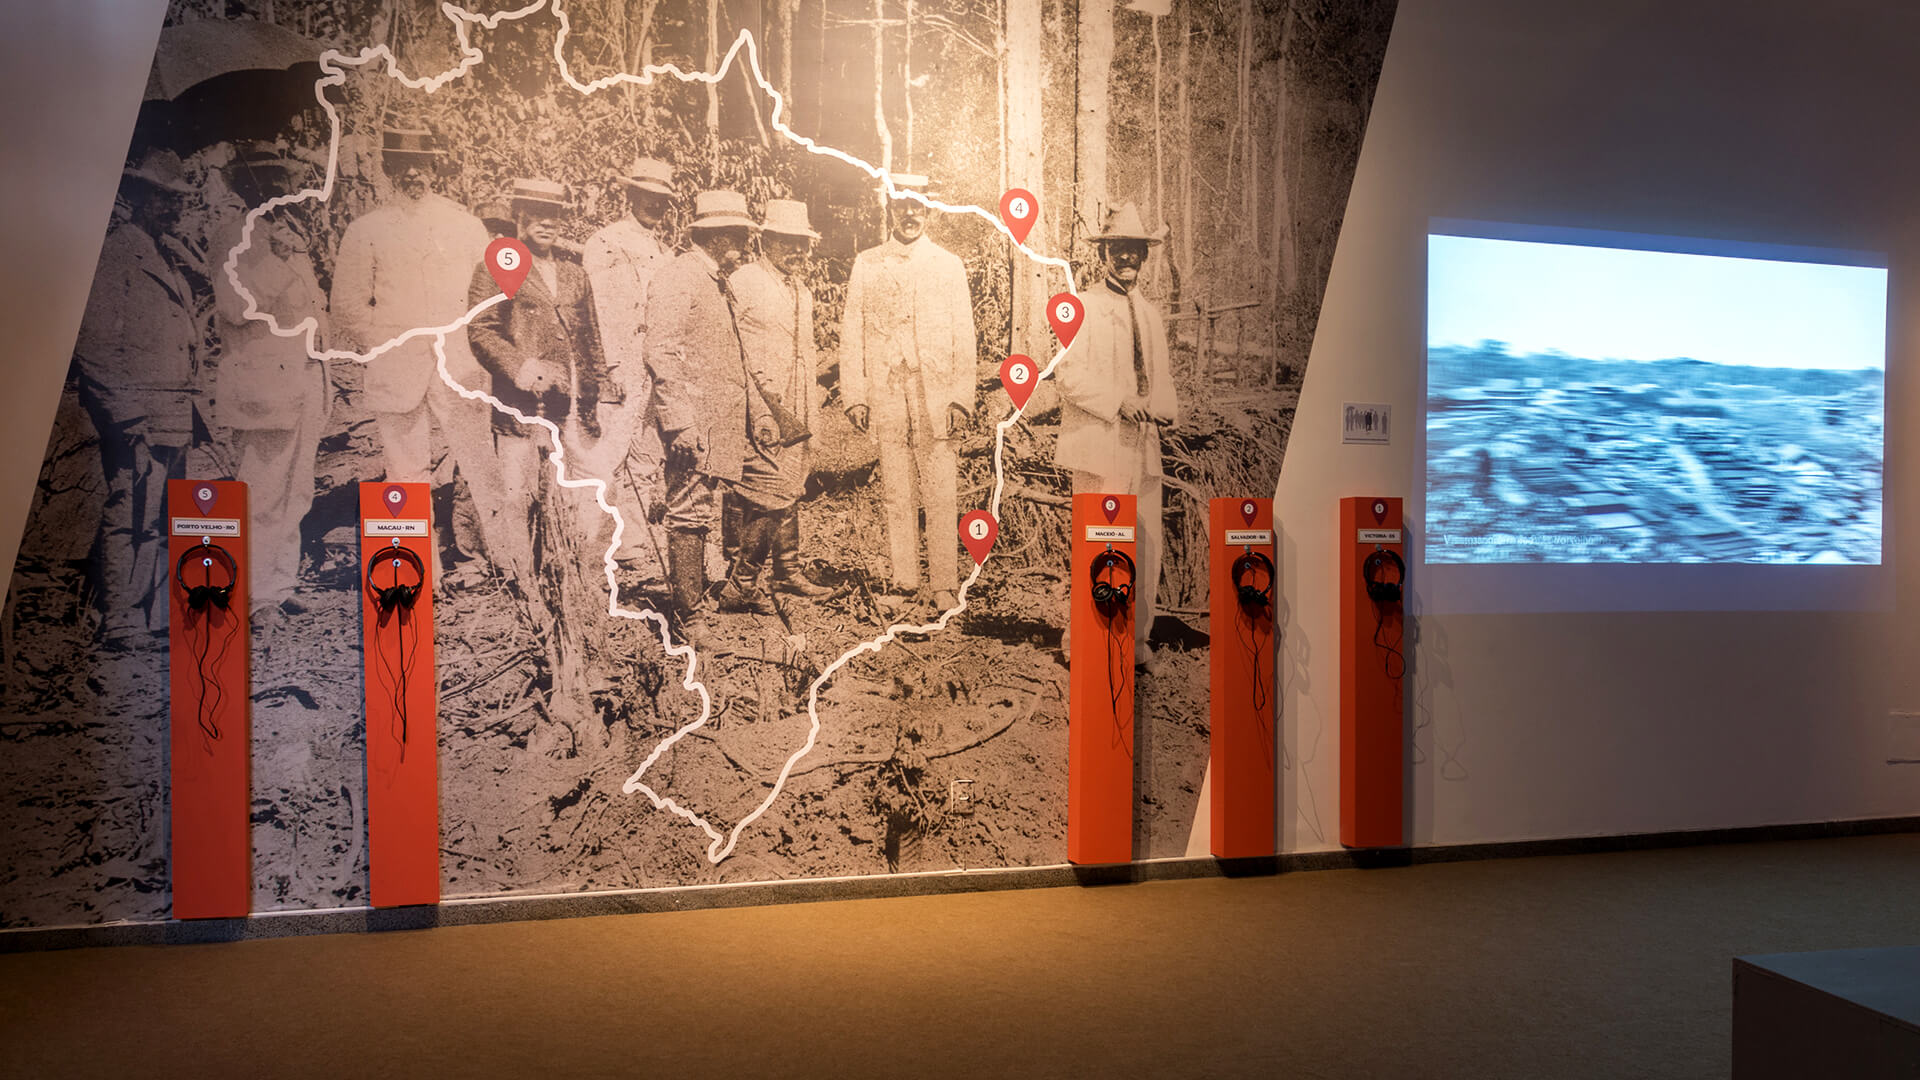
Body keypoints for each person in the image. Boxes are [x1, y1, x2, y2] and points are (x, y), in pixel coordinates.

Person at [329, 125, 507, 585]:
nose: (413, 173)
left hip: (460, 362)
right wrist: (386, 343)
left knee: (480, 462)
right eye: (402, 165)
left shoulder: (464, 224)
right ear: (388, 170)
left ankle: (502, 563)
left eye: (422, 165)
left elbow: (489, 291)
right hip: (397, 365)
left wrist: (474, 341)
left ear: (434, 168)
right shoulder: (366, 229)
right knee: (404, 469)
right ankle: (415, 572)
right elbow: (347, 305)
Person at [72, 148, 200, 641]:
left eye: (179, 200)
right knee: (131, 510)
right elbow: (95, 345)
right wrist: (125, 414)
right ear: (141, 198)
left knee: (166, 515)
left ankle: (156, 614)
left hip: (172, 410)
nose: (176, 209)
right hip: (138, 412)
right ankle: (124, 617)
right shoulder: (118, 254)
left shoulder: (162, 252)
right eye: (166, 200)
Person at [838, 174, 978, 611]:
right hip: (887, 389)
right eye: (902, 205)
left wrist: (961, 397)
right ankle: (902, 579)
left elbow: (964, 335)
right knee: (896, 487)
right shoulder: (868, 263)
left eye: (918, 205)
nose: (910, 213)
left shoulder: (947, 264)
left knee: (940, 485)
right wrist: (855, 394)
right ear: (890, 210)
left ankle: (942, 583)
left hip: (935, 390)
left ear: (929, 210)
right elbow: (852, 332)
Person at [1054, 202, 1180, 673]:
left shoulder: (1149, 314)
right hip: (1099, 443)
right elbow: (1066, 374)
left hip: (1144, 448)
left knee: (1146, 544)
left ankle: (1138, 642)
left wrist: (1164, 411)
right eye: (1119, 250)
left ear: (1145, 257)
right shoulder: (1081, 306)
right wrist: (1117, 401)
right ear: (1104, 252)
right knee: (1098, 544)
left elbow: (1162, 381)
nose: (1127, 259)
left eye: (1135, 251)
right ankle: (1083, 642)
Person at [209, 144, 330, 619]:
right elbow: (234, 307)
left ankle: (278, 585)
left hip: (304, 381)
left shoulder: (287, 233)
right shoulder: (233, 236)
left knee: (297, 489)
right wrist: (277, 258)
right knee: (262, 488)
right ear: (245, 186)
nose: (279, 189)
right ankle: (253, 595)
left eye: (282, 181)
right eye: (268, 180)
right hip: (264, 387)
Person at [466, 179, 609, 555]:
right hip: (522, 401)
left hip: (573, 399)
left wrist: (598, 386)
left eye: (554, 216)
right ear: (519, 217)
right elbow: (482, 330)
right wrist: (522, 367)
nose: (546, 224)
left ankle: (570, 566)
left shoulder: (573, 271)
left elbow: (590, 335)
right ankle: (521, 575)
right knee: (518, 489)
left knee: (582, 481)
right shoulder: (501, 264)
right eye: (536, 215)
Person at [646, 190, 763, 646]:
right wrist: (679, 421)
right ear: (716, 236)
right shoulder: (680, 276)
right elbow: (661, 350)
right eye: (737, 234)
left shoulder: (714, 277)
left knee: (700, 511)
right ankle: (688, 616)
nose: (743, 243)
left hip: (717, 420)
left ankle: (695, 602)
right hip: (693, 423)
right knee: (687, 512)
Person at [722, 198, 833, 611]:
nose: (797, 251)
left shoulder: (801, 289)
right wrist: (758, 403)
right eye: (787, 242)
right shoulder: (743, 280)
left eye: (802, 243)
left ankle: (788, 571)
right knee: (762, 489)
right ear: (766, 240)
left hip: (799, 400)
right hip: (759, 400)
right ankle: (740, 582)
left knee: (792, 482)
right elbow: (734, 348)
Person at [582, 157, 675, 588]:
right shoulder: (605, 242)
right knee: (609, 455)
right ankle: (593, 548)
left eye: (662, 200)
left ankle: (632, 545)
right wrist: (609, 366)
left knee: (645, 457)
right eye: (647, 198)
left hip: (652, 365)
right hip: (620, 363)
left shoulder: (663, 249)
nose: (654, 206)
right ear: (631, 196)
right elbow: (595, 312)